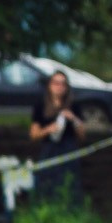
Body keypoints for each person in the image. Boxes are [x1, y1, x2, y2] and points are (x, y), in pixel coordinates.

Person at [29, 71, 86, 204]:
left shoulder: (73, 106)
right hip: (49, 149)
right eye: (56, 83)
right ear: (49, 85)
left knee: (69, 182)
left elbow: (82, 135)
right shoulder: (40, 106)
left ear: (66, 87)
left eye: (63, 84)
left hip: (68, 149)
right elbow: (33, 134)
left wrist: (73, 119)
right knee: (47, 182)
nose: (59, 87)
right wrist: (49, 129)